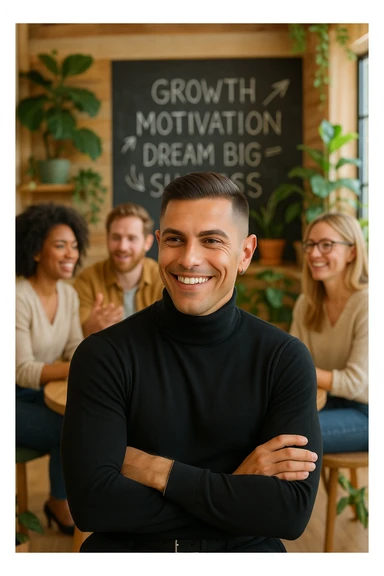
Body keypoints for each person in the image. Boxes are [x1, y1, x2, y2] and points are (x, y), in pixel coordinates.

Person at [62, 172, 322, 553]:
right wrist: (234, 486)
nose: (188, 258)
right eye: (175, 240)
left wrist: (158, 471)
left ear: (245, 254)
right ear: (158, 246)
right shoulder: (103, 355)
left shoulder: (284, 359)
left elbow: (289, 513)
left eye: (212, 240)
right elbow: (92, 506)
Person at [16, 202, 89, 535]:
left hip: (38, 394)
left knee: (82, 415)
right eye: (60, 245)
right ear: (35, 252)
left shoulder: (69, 295)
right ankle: (60, 502)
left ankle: (65, 499)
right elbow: (22, 371)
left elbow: (74, 350)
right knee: (70, 427)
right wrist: (76, 368)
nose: (70, 254)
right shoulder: (16, 296)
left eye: (74, 246)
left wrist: (86, 357)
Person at [290, 211, 368, 454]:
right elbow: (291, 362)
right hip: (326, 402)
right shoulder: (307, 303)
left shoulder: (369, 303)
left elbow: (356, 382)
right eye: (310, 244)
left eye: (326, 245)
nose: (314, 254)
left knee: (288, 437)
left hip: (368, 413)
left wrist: (304, 371)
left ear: (352, 252)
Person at [73, 202, 164, 336]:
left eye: (131, 238)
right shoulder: (87, 280)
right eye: (116, 237)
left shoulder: (163, 279)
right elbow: (73, 338)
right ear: (107, 238)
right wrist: (90, 328)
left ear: (147, 242)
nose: (122, 246)